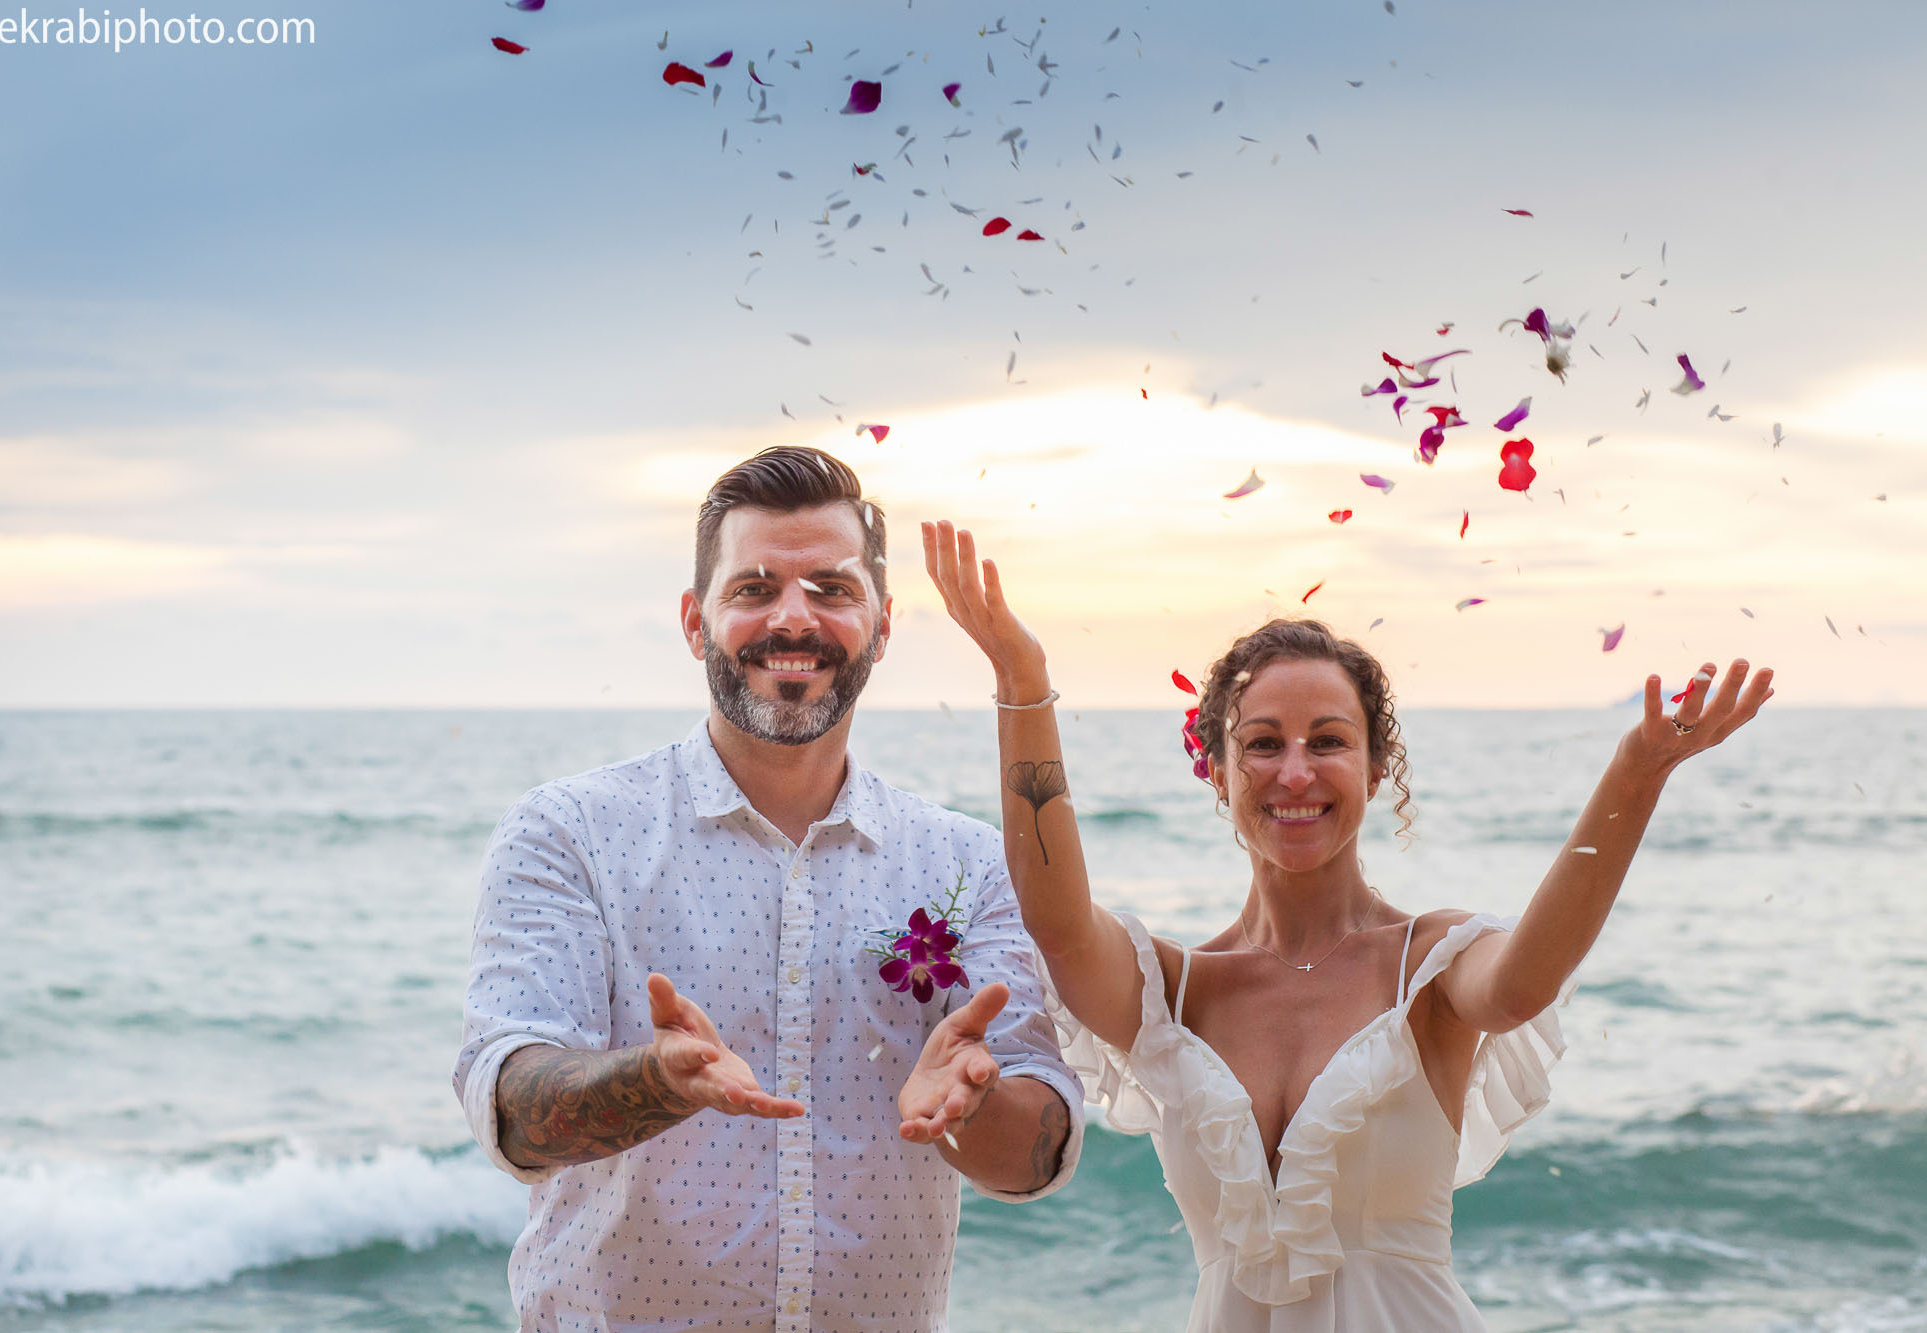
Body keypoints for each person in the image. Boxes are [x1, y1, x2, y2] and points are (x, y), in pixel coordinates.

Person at [918, 520, 1773, 1331]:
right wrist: (1022, 683)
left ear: (1374, 768)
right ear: (1217, 771)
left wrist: (1637, 773)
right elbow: (1059, 924)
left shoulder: (1429, 966)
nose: (1295, 772)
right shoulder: (1173, 991)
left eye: (1327, 740)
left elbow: (1522, 985)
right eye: (1263, 744)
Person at [451, 449, 1083, 1333]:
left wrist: (971, 1108)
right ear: (694, 620)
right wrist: (653, 1080)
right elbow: (512, 1110)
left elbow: (1035, 1158)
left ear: (882, 624)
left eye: (833, 588)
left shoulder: (965, 862)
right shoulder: (570, 831)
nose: (793, 617)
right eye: (754, 588)